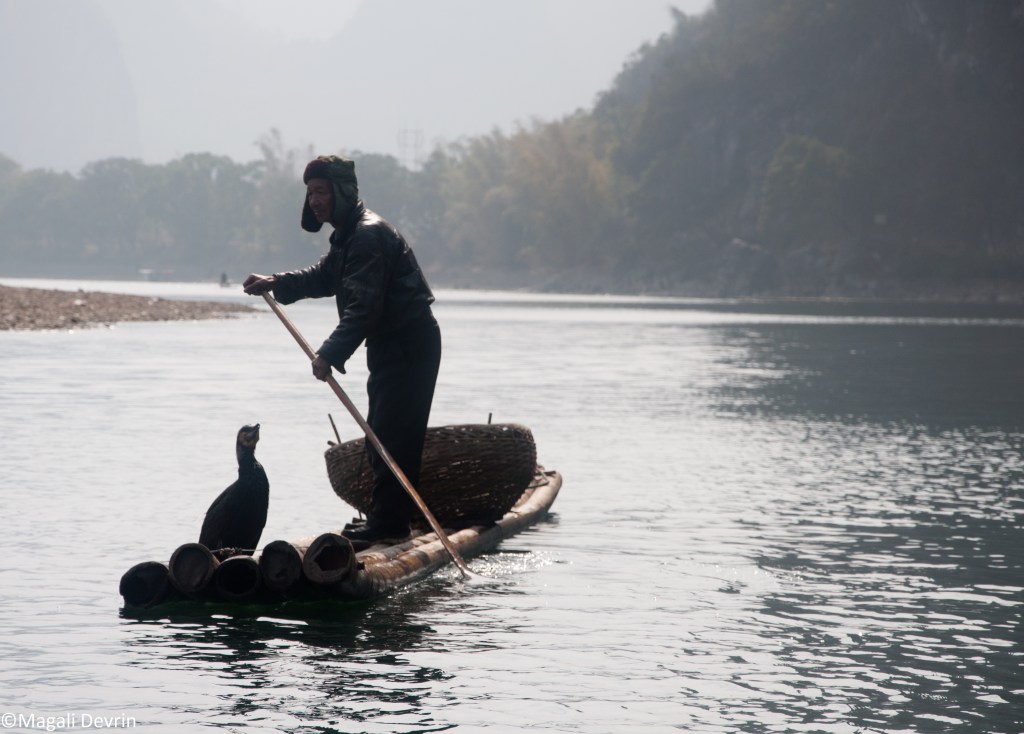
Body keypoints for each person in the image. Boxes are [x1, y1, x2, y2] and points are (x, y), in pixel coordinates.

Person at [243, 155, 440, 544]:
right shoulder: (351, 236)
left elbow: (364, 309)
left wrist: (329, 354)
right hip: (391, 345)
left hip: (409, 344)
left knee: (391, 433)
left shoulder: (367, 236)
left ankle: (390, 526)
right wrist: (275, 282)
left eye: (321, 191)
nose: (314, 200)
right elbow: (323, 276)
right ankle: (386, 518)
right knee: (382, 430)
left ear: (342, 192)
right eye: (310, 192)